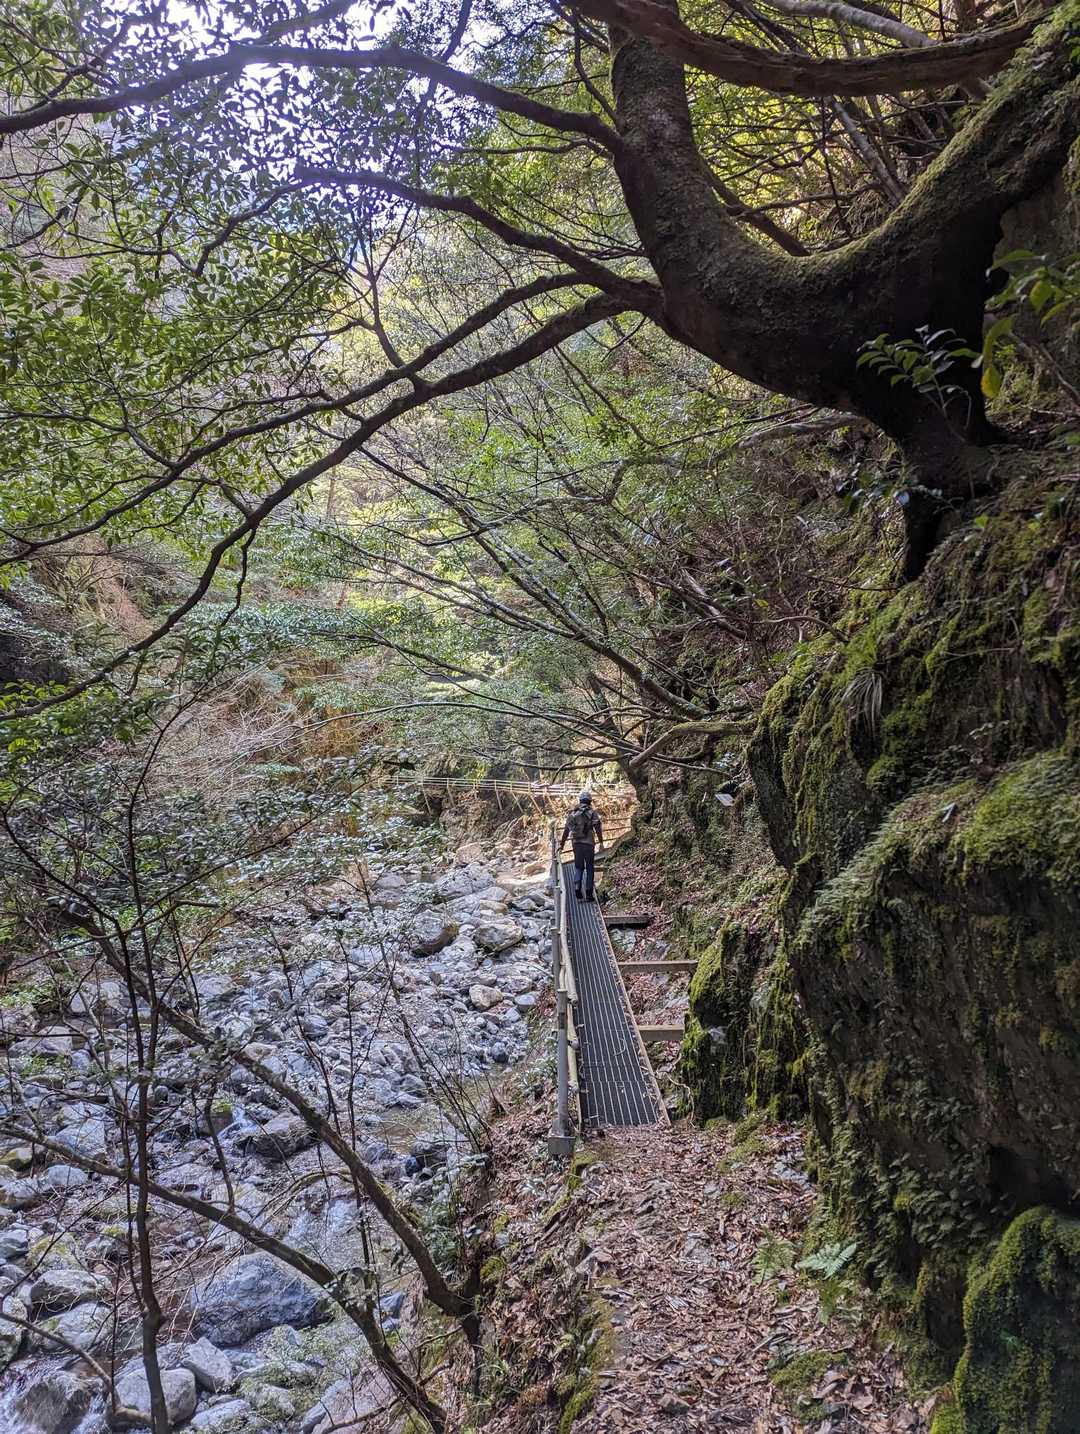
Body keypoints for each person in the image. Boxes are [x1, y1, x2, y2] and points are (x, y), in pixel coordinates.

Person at [559, 790, 604, 900]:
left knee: (579, 867)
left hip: (576, 843)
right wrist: (601, 842)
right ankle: (589, 894)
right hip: (589, 844)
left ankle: (577, 886)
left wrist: (562, 845)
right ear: (590, 801)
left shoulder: (573, 813)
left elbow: (566, 830)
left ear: (580, 801)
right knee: (589, 868)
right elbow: (597, 828)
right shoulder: (592, 813)